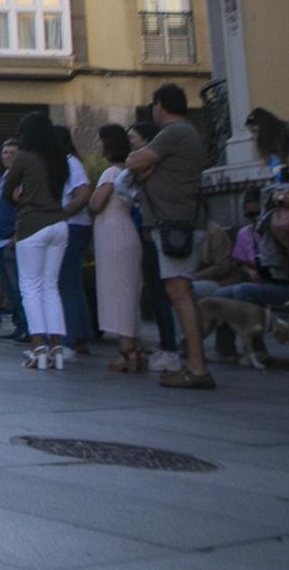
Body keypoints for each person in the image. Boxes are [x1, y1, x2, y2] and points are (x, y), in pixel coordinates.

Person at [127, 84, 213, 388]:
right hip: (178, 221)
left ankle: (197, 367)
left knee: (179, 291)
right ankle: (194, 362)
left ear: (160, 105)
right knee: (180, 290)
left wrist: (146, 165)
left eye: (153, 105)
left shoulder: (175, 132)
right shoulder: (184, 134)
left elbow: (133, 163)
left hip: (177, 224)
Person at [11, 112, 71, 370]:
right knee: (50, 287)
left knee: (31, 288)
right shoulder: (60, 159)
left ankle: (39, 350)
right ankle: (57, 347)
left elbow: (7, 190)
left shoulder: (24, 157)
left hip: (32, 224)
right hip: (59, 224)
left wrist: (21, 197)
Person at [90, 125, 146, 373]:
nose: (98, 144)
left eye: (100, 140)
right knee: (129, 291)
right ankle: (135, 346)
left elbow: (96, 204)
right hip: (126, 231)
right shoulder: (130, 172)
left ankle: (127, 351)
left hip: (112, 234)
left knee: (117, 292)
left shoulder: (111, 173)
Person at [55, 125, 96, 353]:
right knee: (72, 283)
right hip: (74, 225)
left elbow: (82, 193)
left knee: (67, 283)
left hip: (72, 226)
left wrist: (62, 214)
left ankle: (70, 337)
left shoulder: (70, 163)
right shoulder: (69, 163)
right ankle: (80, 333)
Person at [0, 137, 28, 342]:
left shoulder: (20, 178)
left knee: (17, 285)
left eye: (12, 153)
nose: (7, 156)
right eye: (5, 153)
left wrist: (16, 234)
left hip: (10, 237)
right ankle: (18, 325)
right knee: (7, 287)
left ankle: (27, 327)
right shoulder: (4, 177)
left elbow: (21, 206)